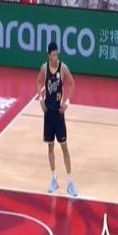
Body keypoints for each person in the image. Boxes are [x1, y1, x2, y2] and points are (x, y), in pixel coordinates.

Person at [36, 42, 78, 197]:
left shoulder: (63, 68)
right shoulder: (44, 68)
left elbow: (72, 84)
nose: (55, 57)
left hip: (59, 113)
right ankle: (54, 179)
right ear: (49, 55)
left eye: (56, 54)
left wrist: (67, 103)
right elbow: (39, 82)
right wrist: (41, 100)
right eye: (53, 55)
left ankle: (70, 181)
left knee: (64, 147)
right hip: (48, 112)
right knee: (50, 148)